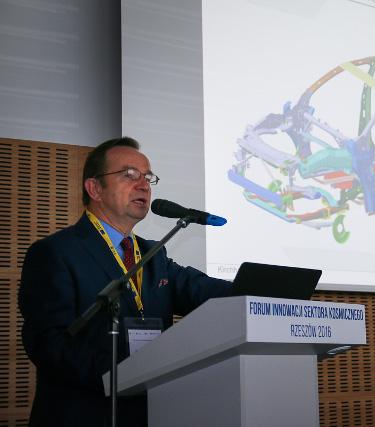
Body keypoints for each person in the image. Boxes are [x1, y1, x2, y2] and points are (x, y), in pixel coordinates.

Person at [18, 137, 232, 427]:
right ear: (95, 188)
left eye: (147, 177)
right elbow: (48, 343)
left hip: (149, 414)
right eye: (130, 175)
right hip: (84, 415)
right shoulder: (56, 252)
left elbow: (203, 290)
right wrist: (125, 373)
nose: (144, 185)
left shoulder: (153, 254)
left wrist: (270, 288)